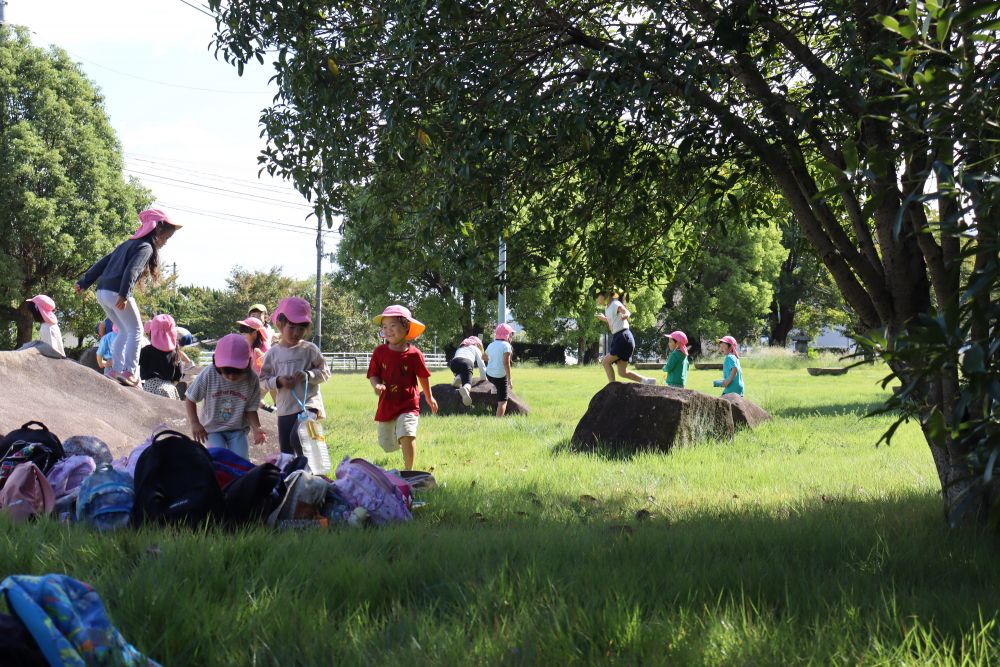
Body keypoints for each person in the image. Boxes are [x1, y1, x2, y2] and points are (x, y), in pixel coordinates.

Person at [75, 208, 182, 387]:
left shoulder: (126, 244)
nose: (165, 242)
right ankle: (130, 372)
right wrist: (124, 294)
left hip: (102, 292)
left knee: (124, 331)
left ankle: (116, 369)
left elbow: (103, 262)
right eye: (166, 237)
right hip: (117, 292)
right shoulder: (145, 247)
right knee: (136, 331)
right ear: (157, 230)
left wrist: (84, 282)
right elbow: (132, 270)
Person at [367, 305, 438, 470]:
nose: (388, 330)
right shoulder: (380, 352)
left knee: (407, 433)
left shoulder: (414, 354)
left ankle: (408, 471)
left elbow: (423, 376)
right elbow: (373, 374)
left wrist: (429, 396)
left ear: (406, 327)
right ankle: (399, 440)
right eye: (385, 327)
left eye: (393, 325)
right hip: (387, 403)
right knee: (386, 444)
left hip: (408, 403)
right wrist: (376, 384)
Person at [259, 297, 330, 456]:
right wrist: (278, 381)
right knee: (287, 451)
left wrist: (308, 375)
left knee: (298, 437)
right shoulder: (273, 354)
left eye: (301, 328)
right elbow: (262, 381)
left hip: (309, 404)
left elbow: (325, 373)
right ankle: (297, 476)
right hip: (285, 407)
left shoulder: (309, 349)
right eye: (291, 327)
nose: (296, 332)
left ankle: (310, 471)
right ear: (280, 324)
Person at [185, 333, 266, 459]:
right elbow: (190, 398)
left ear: (247, 363)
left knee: (240, 460)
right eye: (227, 371)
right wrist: (195, 423)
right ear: (216, 363)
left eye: (238, 371)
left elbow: (251, 409)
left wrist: (257, 428)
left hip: (238, 429)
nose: (232, 376)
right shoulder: (209, 373)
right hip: (211, 430)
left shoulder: (251, 379)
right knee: (218, 458)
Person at [596, 289, 656, 385]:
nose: (597, 300)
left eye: (597, 297)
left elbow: (626, 311)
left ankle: (612, 387)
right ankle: (647, 381)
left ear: (605, 295)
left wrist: (626, 315)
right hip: (621, 337)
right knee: (622, 372)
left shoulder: (615, 303)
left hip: (623, 337)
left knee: (605, 362)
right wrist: (605, 319)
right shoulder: (607, 308)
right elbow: (613, 323)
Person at [138, 314, 183, 398]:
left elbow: (138, 365)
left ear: (152, 332)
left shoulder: (146, 350)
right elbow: (179, 374)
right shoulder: (175, 352)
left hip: (150, 388)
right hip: (169, 388)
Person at [484, 323, 515, 417]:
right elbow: (506, 363)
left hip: (489, 374)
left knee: (496, 381)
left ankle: (494, 388)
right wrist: (510, 379)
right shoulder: (506, 346)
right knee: (503, 401)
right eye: (511, 335)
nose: (512, 337)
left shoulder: (491, 344)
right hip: (499, 376)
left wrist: (493, 359)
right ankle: (498, 423)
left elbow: (483, 357)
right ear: (507, 335)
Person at [449, 336, 489, 406]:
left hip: (453, 363)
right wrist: (484, 377)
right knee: (467, 380)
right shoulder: (476, 348)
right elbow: (481, 364)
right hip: (466, 362)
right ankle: (465, 389)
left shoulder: (460, 348)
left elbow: (457, 358)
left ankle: (458, 378)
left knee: (461, 371)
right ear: (477, 344)